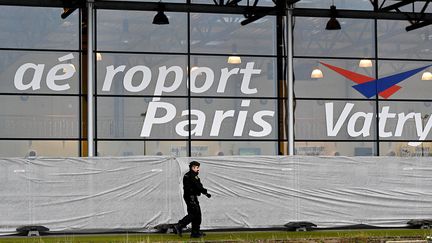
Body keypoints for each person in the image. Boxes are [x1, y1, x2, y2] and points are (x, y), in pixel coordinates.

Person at [174, 161, 211, 238]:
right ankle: (180, 225)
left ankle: (195, 233)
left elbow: (197, 186)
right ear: (193, 167)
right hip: (191, 197)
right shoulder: (191, 176)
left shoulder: (191, 175)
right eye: (197, 168)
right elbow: (198, 186)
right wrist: (205, 193)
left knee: (196, 214)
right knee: (194, 214)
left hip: (191, 196)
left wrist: (203, 192)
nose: (198, 169)